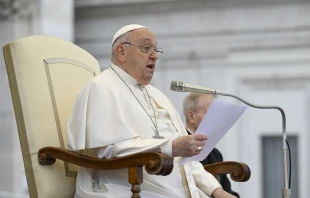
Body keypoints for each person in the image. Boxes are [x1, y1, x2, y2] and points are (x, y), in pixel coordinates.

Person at [68, 24, 237, 198]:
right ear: (121, 52)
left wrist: (217, 191)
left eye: (156, 50)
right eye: (146, 48)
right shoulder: (101, 87)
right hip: (129, 189)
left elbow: (185, 161)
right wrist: (170, 147)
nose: (155, 56)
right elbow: (111, 149)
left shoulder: (157, 95)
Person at [183, 93, 240, 198]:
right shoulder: (179, 148)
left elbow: (226, 190)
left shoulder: (215, 154)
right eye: (211, 113)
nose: (217, 119)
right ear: (191, 116)